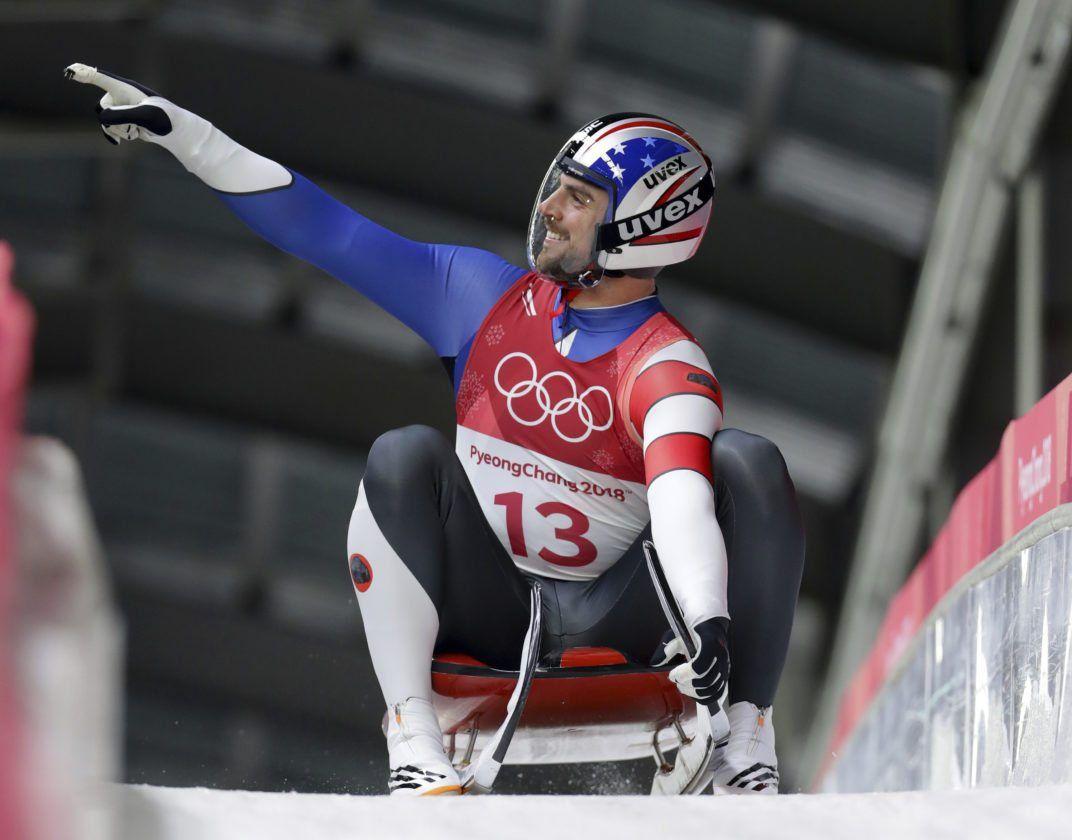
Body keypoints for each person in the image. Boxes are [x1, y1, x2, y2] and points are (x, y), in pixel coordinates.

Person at [66, 64, 805, 797]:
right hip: (490, 610)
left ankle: (745, 737)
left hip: (621, 617)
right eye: (558, 185)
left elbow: (682, 498)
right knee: (403, 455)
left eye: (578, 199)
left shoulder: (667, 361)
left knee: (748, 463)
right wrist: (185, 134)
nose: (548, 206)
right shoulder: (478, 294)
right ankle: (411, 734)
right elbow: (327, 231)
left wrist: (708, 618)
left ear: (639, 230)